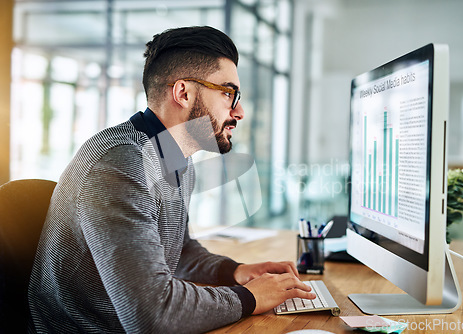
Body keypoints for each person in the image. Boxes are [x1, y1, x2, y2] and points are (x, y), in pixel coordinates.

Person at [28, 26, 315, 333]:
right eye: (228, 94)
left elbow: (179, 251)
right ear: (183, 93)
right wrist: (249, 298)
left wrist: (235, 271)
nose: (239, 111)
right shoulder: (120, 164)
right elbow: (153, 314)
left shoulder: (176, 156)